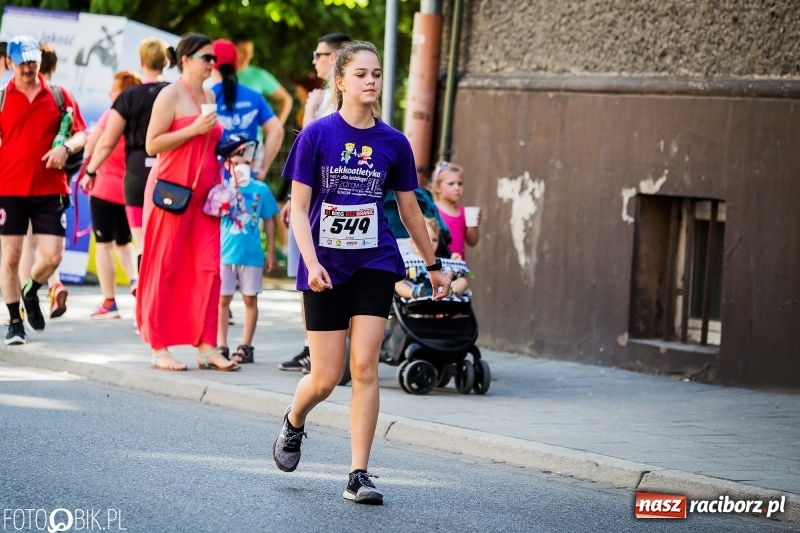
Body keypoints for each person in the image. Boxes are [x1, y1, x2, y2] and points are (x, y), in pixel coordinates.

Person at [272, 41, 451, 505]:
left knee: (365, 365)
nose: (371, 81)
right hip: (325, 266)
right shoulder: (315, 135)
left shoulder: (394, 142)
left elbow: (410, 211)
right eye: (361, 74)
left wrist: (432, 265)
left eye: (376, 74)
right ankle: (294, 419)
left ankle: (358, 474)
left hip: (374, 261)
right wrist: (310, 262)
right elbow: (299, 210)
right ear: (340, 81)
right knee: (327, 377)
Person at [138, 32, 238, 372]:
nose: (212, 64)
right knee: (164, 267)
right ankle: (158, 345)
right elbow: (152, 144)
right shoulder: (170, 94)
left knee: (209, 270)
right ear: (185, 60)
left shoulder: (209, 94)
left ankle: (207, 345)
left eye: (214, 59)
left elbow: (207, 143)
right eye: (206, 58)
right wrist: (194, 129)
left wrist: (229, 144)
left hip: (206, 199)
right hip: (171, 193)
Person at [0, 35, 87, 345]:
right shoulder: (1, 98)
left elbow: (81, 134)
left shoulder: (59, 95)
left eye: (33, 61)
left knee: (52, 256)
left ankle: (31, 289)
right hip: (9, 189)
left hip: (50, 188)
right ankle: (14, 321)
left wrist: (66, 146)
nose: (28, 67)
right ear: (9, 62)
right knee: (10, 257)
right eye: (22, 62)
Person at [278, 32, 351, 374]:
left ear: (337, 57)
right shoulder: (323, 96)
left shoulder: (341, 103)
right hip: (309, 200)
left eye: (320, 54)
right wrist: (292, 199)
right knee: (308, 276)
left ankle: (326, 352)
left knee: (325, 275)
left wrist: (308, 111)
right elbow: (304, 160)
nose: (314, 60)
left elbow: (312, 145)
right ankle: (313, 346)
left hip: (329, 205)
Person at [83, 37, 171, 277]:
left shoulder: (128, 97)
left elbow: (106, 142)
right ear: (166, 61)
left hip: (136, 176)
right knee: (168, 243)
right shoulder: (176, 93)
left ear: (141, 61)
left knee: (142, 243)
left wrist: (90, 171)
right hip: (170, 174)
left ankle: (143, 304)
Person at [80, 71, 142, 318]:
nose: (109, 94)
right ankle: (135, 281)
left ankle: (109, 302)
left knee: (104, 245)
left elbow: (92, 145)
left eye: (113, 90)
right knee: (125, 244)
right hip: (131, 191)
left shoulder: (110, 116)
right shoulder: (140, 120)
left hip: (104, 189)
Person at [17, 43, 71, 319]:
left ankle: (24, 305)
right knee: (50, 246)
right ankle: (53, 283)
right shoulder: (61, 98)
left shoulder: (49, 97)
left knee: (28, 242)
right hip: (57, 180)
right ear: (55, 66)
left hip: (27, 180)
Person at [215, 135, 280, 364]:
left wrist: (270, 251)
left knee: (250, 299)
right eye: (234, 161)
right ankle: (221, 343)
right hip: (225, 254)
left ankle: (246, 345)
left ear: (251, 164)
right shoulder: (221, 189)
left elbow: (270, 219)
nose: (239, 165)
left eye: (244, 161)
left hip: (251, 255)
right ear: (227, 164)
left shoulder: (260, 189)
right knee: (223, 299)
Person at [210, 39, 284, 182]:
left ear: (212, 63)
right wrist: (262, 168)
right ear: (235, 63)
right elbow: (277, 130)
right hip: (246, 176)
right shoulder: (253, 96)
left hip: (214, 178)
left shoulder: (206, 96)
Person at [394, 217, 468, 299]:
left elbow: (446, 278)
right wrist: (406, 272)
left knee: (463, 281)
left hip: (440, 289)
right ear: (412, 242)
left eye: (435, 240)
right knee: (397, 282)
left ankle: (450, 291)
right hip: (415, 287)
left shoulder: (439, 261)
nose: (431, 243)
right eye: (426, 239)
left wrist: (452, 266)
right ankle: (415, 293)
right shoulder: (407, 259)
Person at [233, 36, 292, 125]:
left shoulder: (259, 75)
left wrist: (277, 128)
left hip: (254, 138)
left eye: (250, 52)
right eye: (243, 51)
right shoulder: (219, 75)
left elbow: (286, 99)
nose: (247, 56)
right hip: (224, 137)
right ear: (233, 50)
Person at [432, 161, 481, 259]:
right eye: (451, 184)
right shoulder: (432, 209)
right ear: (437, 188)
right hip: (438, 265)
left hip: (458, 267)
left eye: (460, 183)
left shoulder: (464, 212)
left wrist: (474, 225)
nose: (457, 187)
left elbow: (472, 241)